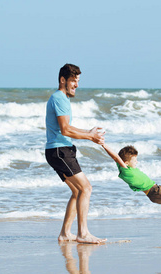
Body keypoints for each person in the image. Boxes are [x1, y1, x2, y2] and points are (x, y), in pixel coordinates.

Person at [45, 63, 106, 244]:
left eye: (78, 81)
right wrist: (90, 136)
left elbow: (67, 128)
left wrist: (88, 132)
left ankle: (65, 233)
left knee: (77, 191)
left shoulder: (61, 98)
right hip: (60, 151)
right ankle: (83, 233)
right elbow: (65, 130)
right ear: (63, 80)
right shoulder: (59, 98)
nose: (77, 85)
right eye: (73, 80)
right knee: (86, 188)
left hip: (59, 150)